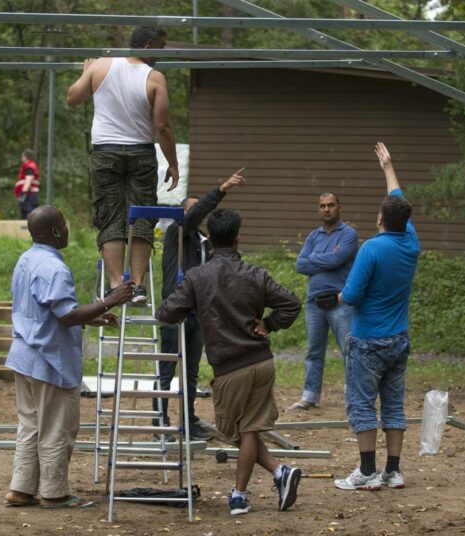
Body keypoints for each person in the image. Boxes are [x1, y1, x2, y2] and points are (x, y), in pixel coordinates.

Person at [156, 208, 303, 516]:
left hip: (229, 368)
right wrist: (271, 324)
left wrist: (188, 304)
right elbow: (292, 303)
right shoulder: (256, 274)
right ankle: (273, 476)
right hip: (261, 362)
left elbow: (167, 312)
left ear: (208, 239)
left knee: (234, 431)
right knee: (248, 430)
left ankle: (243, 493)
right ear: (238, 238)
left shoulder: (198, 277)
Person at [3, 205, 133, 509]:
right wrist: (109, 301)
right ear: (56, 231)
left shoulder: (27, 260)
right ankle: (54, 492)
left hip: (24, 355)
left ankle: (20, 489)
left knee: (31, 425)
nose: (68, 228)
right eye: (64, 223)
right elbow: (65, 316)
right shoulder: (54, 268)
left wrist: (94, 316)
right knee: (57, 427)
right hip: (49, 360)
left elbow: (45, 311)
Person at [66, 26, 178, 304]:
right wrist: (173, 164)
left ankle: (117, 285)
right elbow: (162, 126)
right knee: (141, 215)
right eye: (161, 49)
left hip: (105, 152)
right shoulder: (154, 78)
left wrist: (85, 73)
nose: (161, 56)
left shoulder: (100, 66)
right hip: (140, 152)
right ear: (149, 48)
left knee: (110, 214)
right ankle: (137, 286)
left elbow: (73, 99)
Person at [334, 142, 419, 491]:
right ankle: (393, 472)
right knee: (394, 405)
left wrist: (338, 294)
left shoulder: (371, 248)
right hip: (399, 338)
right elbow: (397, 197)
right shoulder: (411, 242)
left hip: (369, 339)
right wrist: (388, 166)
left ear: (380, 219)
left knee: (362, 403)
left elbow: (351, 296)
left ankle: (367, 471)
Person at [153, 168, 245, 441]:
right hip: (175, 311)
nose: (198, 215)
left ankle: (188, 422)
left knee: (190, 372)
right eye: (193, 211)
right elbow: (192, 216)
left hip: (199, 315)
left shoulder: (206, 244)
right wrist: (222, 188)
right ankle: (160, 423)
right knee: (167, 370)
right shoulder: (175, 234)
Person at [287, 193, 358, 411]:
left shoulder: (348, 234)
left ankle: (354, 398)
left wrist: (315, 258)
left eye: (330, 205)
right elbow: (300, 265)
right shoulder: (313, 236)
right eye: (322, 206)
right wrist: (327, 259)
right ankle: (310, 396)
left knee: (350, 351)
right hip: (314, 303)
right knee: (313, 351)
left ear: (339, 207)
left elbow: (338, 259)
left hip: (341, 301)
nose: (326, 209)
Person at [14, 149, 40, 219]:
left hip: (29, 195)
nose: (21, 158)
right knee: (26, 214)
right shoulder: (29, 166)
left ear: (26, 156)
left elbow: (29, 179)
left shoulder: (29, 166)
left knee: (29, 214)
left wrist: (23, 193)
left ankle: (29, 229)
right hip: (29, 194)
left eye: (22, 156)